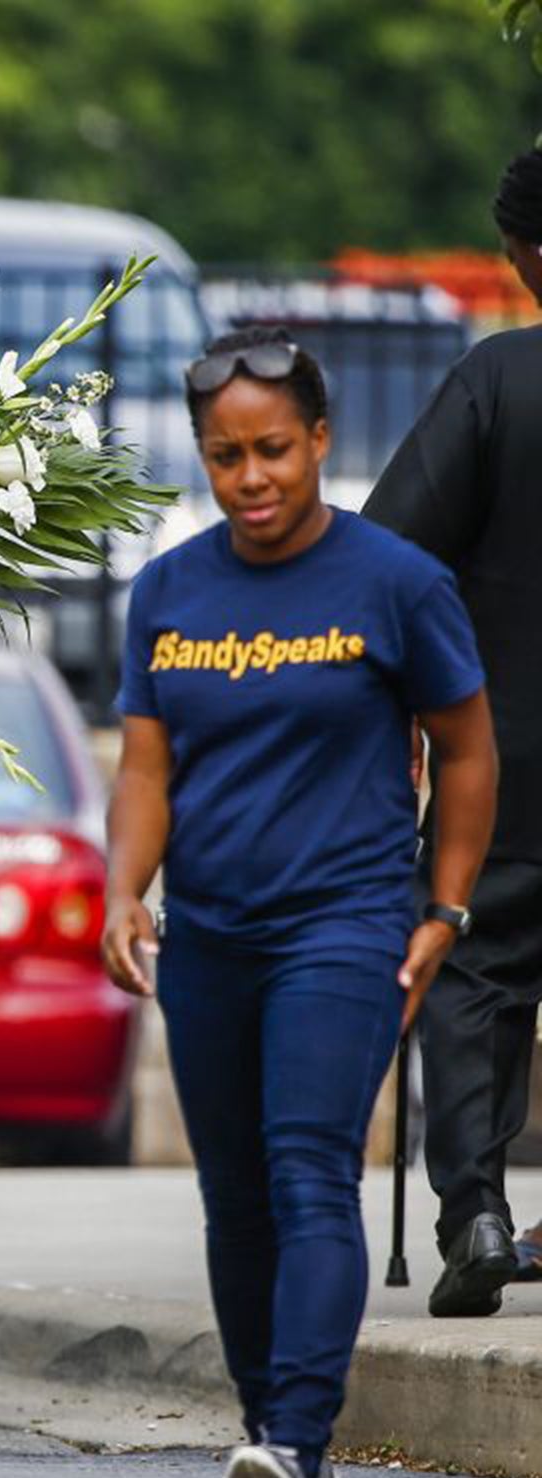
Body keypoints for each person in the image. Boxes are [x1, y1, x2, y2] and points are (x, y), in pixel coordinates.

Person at [102, 329, 495, 1478]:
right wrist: (124, 890)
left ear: (318, 441)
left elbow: (470, 752)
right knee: (235, 1198)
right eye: (224, 457)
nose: (250, 478)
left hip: (347, 924)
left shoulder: (393, 582)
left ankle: (293, 1437)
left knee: (305, 1168)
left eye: (272, 450)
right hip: (208, 932)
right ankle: (267, 1436)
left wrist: (443, 908)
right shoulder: (167, 589)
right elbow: (145, 766)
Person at [361, 147, 542, 1318]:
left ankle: (474, 1214)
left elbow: (388, 563)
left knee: (473, 970)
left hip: (506, 759)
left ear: (527, 255)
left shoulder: (494, 382)